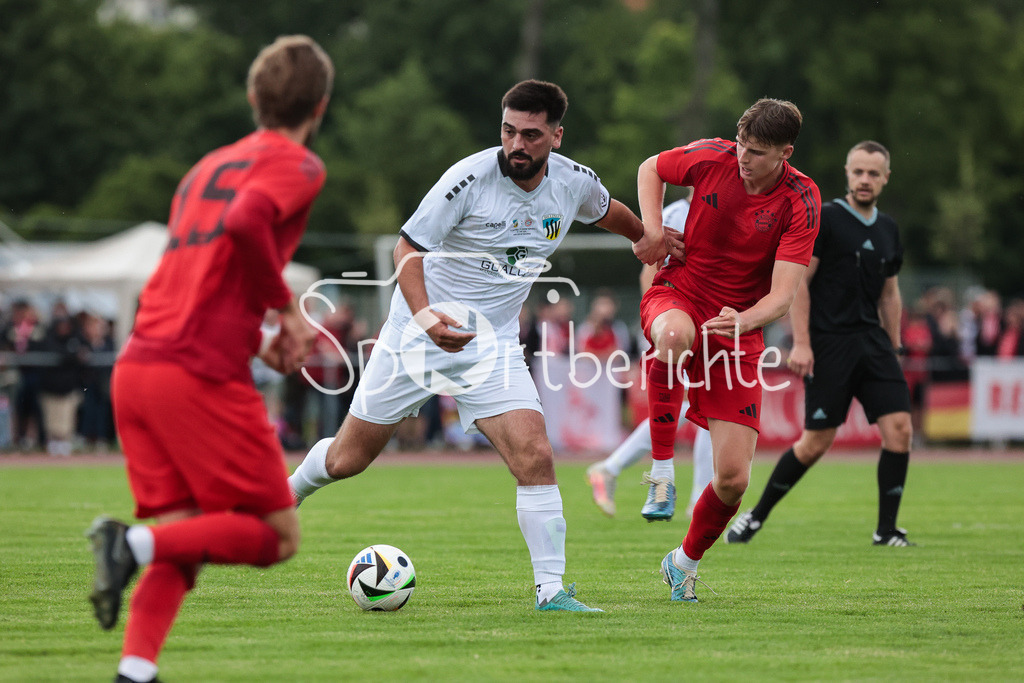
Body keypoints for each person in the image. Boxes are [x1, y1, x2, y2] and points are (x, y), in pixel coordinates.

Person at [288, 79, 662, 613]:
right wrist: (424, 317)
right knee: (348, 460)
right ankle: (288, 494)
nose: (516, 144)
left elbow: (610, 211)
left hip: (491, 347)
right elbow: (407, 249)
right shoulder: (467, 179)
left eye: (531, 135)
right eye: (509, 130)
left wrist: (645, 238)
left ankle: (551, 591)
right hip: (417, 336)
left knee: (535, 454)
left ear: (556, 136)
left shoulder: (574, 183)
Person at [84, 35, 332, 683]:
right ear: (322, 106)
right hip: (194, 373)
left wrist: (259, 336)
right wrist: (284, 310)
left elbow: (200, 282)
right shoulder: (300, 165)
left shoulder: (204, 167)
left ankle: (134, 671)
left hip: (140, 365)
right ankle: (127, 544)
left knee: (188, 533)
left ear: (253, 97)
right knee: (276, 535)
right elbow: (248, 222)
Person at [635, 99, 821, 602]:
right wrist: (653, 231)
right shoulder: (713, 155)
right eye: (741, 144)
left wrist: (744, 321)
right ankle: (661, 472)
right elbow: (651, 167)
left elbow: (783, 295)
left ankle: (683, 563)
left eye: (756, 152)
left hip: (738, 328)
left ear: (786, 152)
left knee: (734, 480)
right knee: (673, 337)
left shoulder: (801, 198)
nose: (742, 157)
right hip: (679, 294)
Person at [726, 140, 915, 548]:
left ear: (885, 179)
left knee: (900, 430)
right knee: (816, 443)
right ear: (848, 173)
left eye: (873, 173)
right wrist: (803, 344)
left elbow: (889, 293)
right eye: (858, 171)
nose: (865, 180)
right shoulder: (825, 218)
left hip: (875, 344)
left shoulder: (888, 228)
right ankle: (755, 518)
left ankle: (886, 531)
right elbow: (800, 285)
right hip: (831, 345)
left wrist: (895, 346)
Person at [586, 196, 714, 520]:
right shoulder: (675, 214)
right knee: (706, 412)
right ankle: (697, 500)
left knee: (695, 410)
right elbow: (651, 274)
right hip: (681, 322)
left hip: (709, 320)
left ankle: (611, 467)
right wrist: (658, 326)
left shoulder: (724, 207)